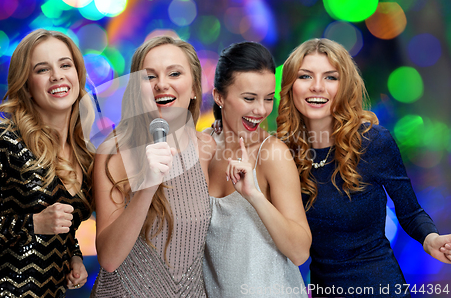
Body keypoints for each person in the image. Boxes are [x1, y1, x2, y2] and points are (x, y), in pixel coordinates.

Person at [275, 38, 451, 297]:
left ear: (345, 86)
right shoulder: (280, 153)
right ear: (290, 86)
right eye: (305, 76)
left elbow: (411, 213)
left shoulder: (374, 142)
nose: (317, 87)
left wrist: (431, 239)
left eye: (330, 77)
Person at [0, 29, 93, 297]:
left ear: (77, 73)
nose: (57, 75)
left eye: (65, 65)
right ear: (26, 83)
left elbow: (61, 225)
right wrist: (32, 224)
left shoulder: (84, 150)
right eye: (42, 69)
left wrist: (73, 255)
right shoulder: (2, 141)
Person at [90, 36, 216, 297]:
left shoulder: (209, 149)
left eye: (174, 73)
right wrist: (146, 187)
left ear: (194, 87)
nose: (162, 84)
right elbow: (109, 259)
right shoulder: (114, 152)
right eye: (149, 77)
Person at [203, 41, 311, 298]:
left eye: (267, 99)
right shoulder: (201, 147)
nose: (261, 110)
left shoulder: (272, 154)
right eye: (249, 98)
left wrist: (254, 195)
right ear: (219, 97)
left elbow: (299, 252)